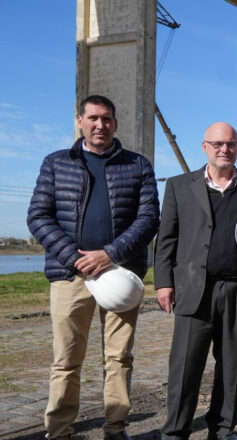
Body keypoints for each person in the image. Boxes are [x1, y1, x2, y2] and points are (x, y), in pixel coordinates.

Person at [27, 94, 160, 440]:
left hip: (121, 276)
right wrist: (75, 258)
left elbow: (148, 219)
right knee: (66, 360)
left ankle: (116, 429)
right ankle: (58, 431)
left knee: (119, 358)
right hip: (70, 276)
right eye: (93, 118)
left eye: (106, 119)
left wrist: (109, 255)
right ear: (80, 121)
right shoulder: (56, 163)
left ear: (115, 124)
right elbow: (38, 216)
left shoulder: (138, 165)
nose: (100, 125)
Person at [155, 122, 237, 440]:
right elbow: (166, 239)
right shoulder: (178, 186)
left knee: (230, 365)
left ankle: (222, 429)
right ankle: (175, 432)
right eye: (216, 144)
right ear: (204, 147)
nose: (223, 149)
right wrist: (163, 283)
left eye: (230, 144)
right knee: (185, 366)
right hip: (193, 289)